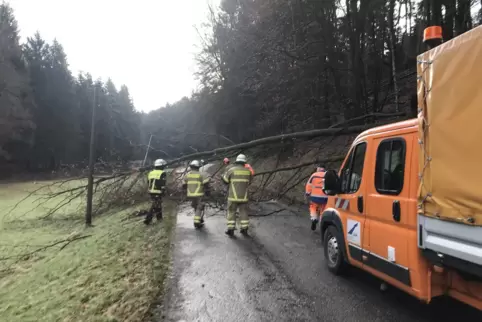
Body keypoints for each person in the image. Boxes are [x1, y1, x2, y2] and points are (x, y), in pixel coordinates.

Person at [222, 154, 253, 236]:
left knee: (231, 212)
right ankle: (244, 229)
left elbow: (225, 181)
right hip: (244, 197)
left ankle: (231, 230)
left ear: (237, 161)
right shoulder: (248, 171)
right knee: (243, 212)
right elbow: (249, 182)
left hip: (232, 197)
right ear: (244, 162)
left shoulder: (231, 170)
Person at [183, 160, 210, 228]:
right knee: (199, 207)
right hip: (199, 194)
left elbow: (183, 185)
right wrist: (208, 193)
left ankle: (200, 219)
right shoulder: (201, 174)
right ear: (198, 167)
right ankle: (196, 222)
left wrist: (185, 193)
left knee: (196, 207)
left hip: (190, 195)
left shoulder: (187, 175)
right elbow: (206, 184)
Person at [305, 165, 328, 231]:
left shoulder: (314, 175)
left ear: (318, 169)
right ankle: (321, 222)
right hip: (325, 197)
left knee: (313, 208)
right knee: (323, 210)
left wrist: (308, 193)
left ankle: (314, 218)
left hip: (314, 197)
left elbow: (309, 185)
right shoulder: (327, 175)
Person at [145, 159, 167, 225]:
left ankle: (159, 218)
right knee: (155, 205)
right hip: (158, 191)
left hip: (151, 191)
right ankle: (147, 219)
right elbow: (162, 183)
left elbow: (148, 182)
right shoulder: (162, 173)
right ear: (161, 166)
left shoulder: (151, 172)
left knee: (158, 205)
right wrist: (163, 191)